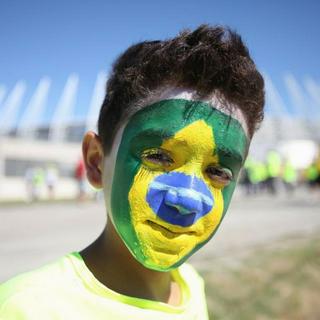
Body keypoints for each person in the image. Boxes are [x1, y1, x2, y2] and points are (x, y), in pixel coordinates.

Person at [0, 25, 264, 319]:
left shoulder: (190, 285)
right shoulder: (26, 307)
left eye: (217, 171)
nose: (187, 199)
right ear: (96, 162)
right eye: (158, 156)